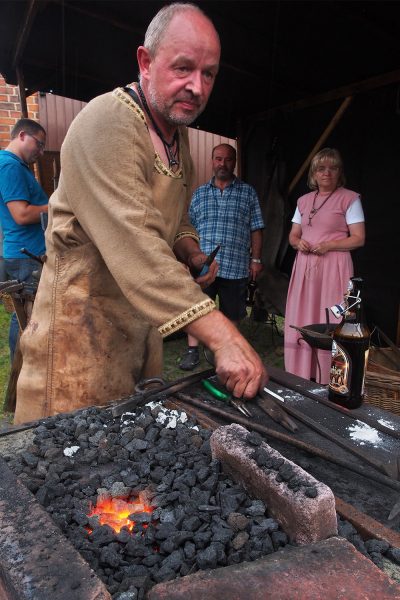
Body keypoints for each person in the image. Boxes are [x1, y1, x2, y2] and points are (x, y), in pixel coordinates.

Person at [14, 3, 267, 425]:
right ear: (145, 62)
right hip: (80, 335)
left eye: (208, 74)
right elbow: (135, 241)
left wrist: (191, 253)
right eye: (183, 68)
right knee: (70, 471)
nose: (197, 86)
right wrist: (223, 335)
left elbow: (174, 219)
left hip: (138, 331)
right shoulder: (108, 122)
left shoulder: (177, 136)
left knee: (127, 467)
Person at [179, 143, 264, 370]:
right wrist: (189, 259)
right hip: (204, 265)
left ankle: (227, 350)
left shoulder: (248, 192)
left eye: (227, 159)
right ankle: (192, 351)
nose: (222, 164)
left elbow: (256, 228)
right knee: (196, 307)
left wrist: (255, 260)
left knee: (233, 311)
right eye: (218, 159)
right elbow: (189, 229)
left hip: (235, 264)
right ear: (212, 161)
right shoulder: (200, 194)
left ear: (234, 162)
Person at [284, 148, 365, 384]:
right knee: (304, 312)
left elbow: (358, 238)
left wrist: (329, 245)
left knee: (331, 316)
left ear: (340, 172)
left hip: (334, 266)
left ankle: (331, 375)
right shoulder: (303, 200)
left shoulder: (349, 198)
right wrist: (298, 242)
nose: (326, 173)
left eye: (333, 168)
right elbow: (293, 235)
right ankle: (301, 372)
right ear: (314, 173)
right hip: (306, 267)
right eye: (321, 168)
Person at [0, 118, 48, 361]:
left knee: (26, 316)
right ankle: (21, 371)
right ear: (21, 136)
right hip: (25, 257)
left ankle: (26, 368)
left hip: (26, 254)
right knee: (24, 318)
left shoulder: (15, 166)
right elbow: (21, 214)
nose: (40, 152)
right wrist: (56, 206)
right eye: (38, 145)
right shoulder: (9, 166)